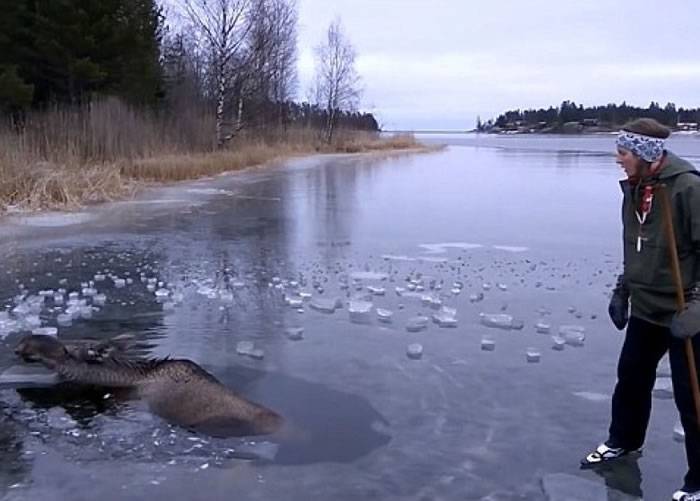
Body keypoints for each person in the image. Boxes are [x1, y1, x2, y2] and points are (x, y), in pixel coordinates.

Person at [580, 118, 700, 501]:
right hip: (647, 307)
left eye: (624, 152)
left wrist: (698, 308)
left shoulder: (688, 189)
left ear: (646, 154)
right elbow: (636, 247)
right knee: (631, 379)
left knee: (692, 398)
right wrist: (623, 289)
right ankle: (623, 442)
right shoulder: (635, 189)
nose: (618, 159)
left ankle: (699, 479)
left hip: (685, 311)